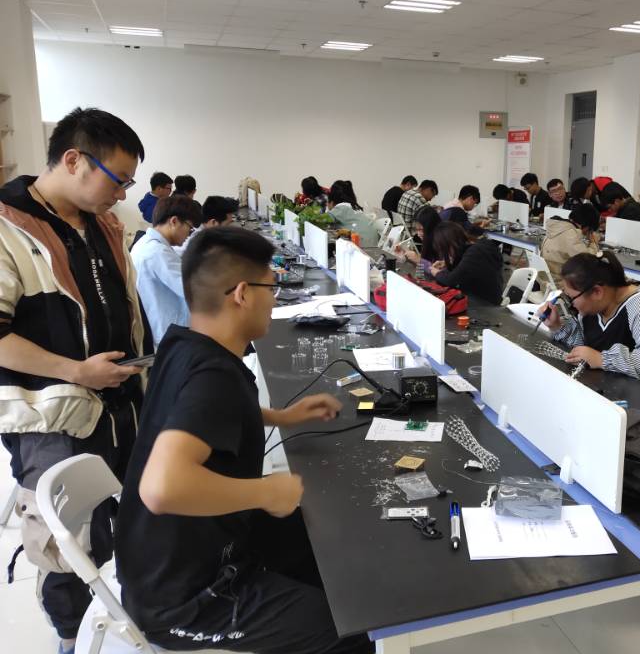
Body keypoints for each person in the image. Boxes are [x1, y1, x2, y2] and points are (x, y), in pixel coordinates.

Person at [116, 227, 371, 654]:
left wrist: (280, 416)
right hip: (184, 599)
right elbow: (161, 488)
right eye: (271, 288)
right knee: (351, 632)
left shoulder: (182, 345)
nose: (274, 299)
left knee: (325, 540)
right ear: (242, 294)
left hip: (175, 556)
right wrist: (265, 492)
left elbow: (199, 415)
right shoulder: (215, 377)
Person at [0, 107, 147, 654]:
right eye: (118, 180)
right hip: (53, 416)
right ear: (73, 160)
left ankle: (124, 617)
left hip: (121, 402)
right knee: (68, 543)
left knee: (127, 518)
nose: (123, 194)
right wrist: (77, 371)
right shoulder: (9, 227)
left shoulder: (103, 224)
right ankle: (72, 639)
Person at [539, 251, 640, 391]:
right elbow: (583, 350)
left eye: (571, 298)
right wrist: (557, 326)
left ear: (597, 292)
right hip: (607, 386)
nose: (570, 303)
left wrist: (602, 359)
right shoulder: (592, 308)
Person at [131, 195, 203, 345]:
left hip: (163, 330)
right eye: (189, 229)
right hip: (171, 334)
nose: (188, 235)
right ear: (174, 221)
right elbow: (193, 291)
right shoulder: (157, 252)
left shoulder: (145, 243)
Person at [428, 221, 503, 304]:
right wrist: (448, 262)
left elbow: (451, 280)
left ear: (451, 243)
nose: (448, 254)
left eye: (446, 249)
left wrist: (436, 272)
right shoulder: (472, 246)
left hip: (486, 303)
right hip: (479, 296)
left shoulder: (475, 252)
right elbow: (463, 268)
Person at [540, 203, 600, 280]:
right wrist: (594, 242)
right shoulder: (571, 234)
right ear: (587, 227)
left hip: (547, 278)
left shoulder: (557, 227)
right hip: (559, 282)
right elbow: (588, 259)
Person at [328, 181, 379, 247]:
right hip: (373, 244)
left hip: (361, 246)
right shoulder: (355, 207)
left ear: (332, 201)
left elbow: (323, 220)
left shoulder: (341, 207)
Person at [395, 206, 441, 272]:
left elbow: (440, 274)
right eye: (417, 229)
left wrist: (419, 260)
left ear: (431, 227)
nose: (418, 234)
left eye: (421, 230)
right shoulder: (428, 241)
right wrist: (406, 254)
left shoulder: (441, 244)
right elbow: (421, 271)